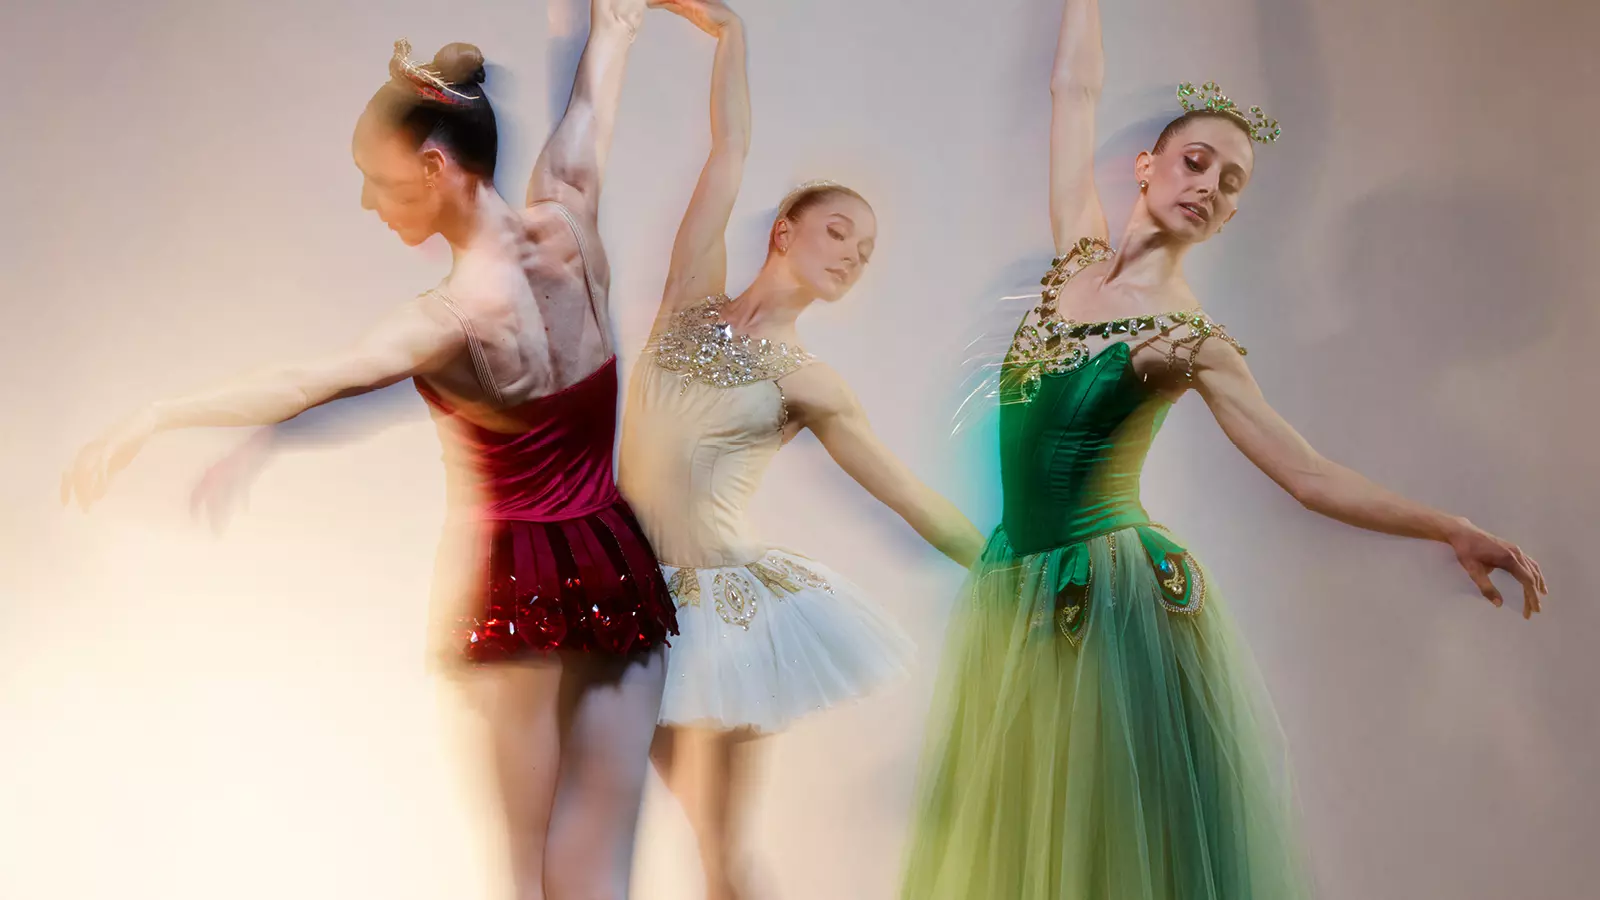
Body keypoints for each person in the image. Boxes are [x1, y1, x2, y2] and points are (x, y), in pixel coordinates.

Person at [898, 1, 1547, 898]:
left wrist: (1450, 525)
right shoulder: (1072, 259)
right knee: (1028, 832)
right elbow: (1072, 88)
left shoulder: (1190, 341)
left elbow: (1308, 474)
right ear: (1145, 167)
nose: (1209, 184)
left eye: (1232, 182)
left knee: (1111, 835)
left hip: (1108, 596)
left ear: (1231, 219)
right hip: (1018, 582)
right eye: (1195, 161)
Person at [61, 5, 677, 897]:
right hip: (615, 560)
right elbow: (599, 70)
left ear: (435, 165)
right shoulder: (572, 215)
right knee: (596, 861)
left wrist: (155, 416)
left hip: (522, 594)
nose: (366, 202)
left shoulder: (448, 319)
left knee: (526, 869)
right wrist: (613, 25)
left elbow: (310, 379)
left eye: (377, 180)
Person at [618, 2, 985, 898]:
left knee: (718, 856)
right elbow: (729, 154)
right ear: (784, 229)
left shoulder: (809, 382)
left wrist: (1005, 560)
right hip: (622, 594)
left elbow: (903, 493)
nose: (852, 257)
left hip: (717, 619)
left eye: (864, 254)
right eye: (838, 232)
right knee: (618, 825)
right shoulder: (689, 300)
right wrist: (729, 33)